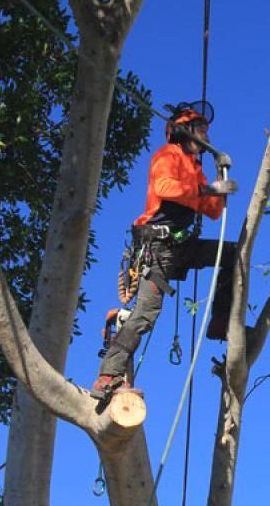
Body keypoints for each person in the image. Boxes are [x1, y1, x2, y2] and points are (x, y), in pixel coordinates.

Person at [91, 101, 238, 398]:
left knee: (234, 255)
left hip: (183, 246)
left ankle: (220, 322)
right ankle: (108, 374)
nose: (207, 136)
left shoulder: (195, 169)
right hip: (157, 247)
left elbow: (212, 212)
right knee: (146, 313)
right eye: (202, 130)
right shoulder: (167, 155)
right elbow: (166, 188)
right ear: (186, 132)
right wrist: (208, 190)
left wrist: (219, 179)